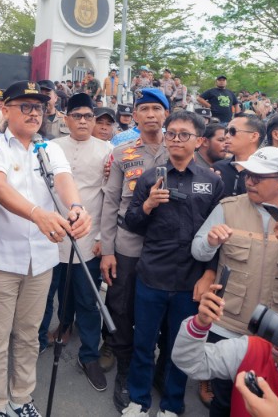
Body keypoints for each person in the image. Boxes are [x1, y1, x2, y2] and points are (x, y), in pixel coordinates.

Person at [0, 80, 91, 417]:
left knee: (28, 334)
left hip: (41, 259)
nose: (33, 113)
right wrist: (37, 213)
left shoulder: (50, 149)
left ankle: (21, 396)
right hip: (2, 259)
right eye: (24, 106)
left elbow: (63, 180)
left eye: (39, 107)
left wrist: (76, 208)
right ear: (6, 109)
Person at [121, 111, 224, 417]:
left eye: (184, 134)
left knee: (180, 349)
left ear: (199, 141)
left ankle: (172, 404)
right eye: (172, 134)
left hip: (190, 281)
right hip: (152, 275)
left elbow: (218, 234)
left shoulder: (211, 181)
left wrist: (208, 274)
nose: (176, 140)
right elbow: (132, 222)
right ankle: (138, 400)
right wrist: (149, 204)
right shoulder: (151, 176)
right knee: (143, 344)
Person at [192, 146, 278, 415]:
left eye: (259, 177)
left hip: (273, 331)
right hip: (227, 323)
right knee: (223, 398)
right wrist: (210, 242)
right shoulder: (228, 207)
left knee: (261, 400)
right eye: (248, 174)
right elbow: (197, 250)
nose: (249, 181)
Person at [100, 88, 170, 409]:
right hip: (128, 244)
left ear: (166, 114)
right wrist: (108, 250)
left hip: (167, 247)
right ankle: (126, 368)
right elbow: (111, 202)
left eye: (157, 108)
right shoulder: (121, 153)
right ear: (136, 116)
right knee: (122, 306)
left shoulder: (181, 148)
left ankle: (157, 368)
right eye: (145, 109)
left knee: (162, 311)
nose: (152, 115)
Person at [39, 93, 113, 391]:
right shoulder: (49, 147)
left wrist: (100, 238)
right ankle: (38, 341)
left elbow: (110, 198)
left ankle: (89, 356)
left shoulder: (108, 151)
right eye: (77, 116)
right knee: (45, 295)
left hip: (87, 237)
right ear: (65, 119)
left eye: (88, 116)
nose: (83, 121)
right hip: (51, 235)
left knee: (88, 301)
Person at [213, 113, 266, 197]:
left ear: (253, 136)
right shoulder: (218, 168)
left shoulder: (268, 172)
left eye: (232, 131)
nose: (226, 136)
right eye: (226, 131)